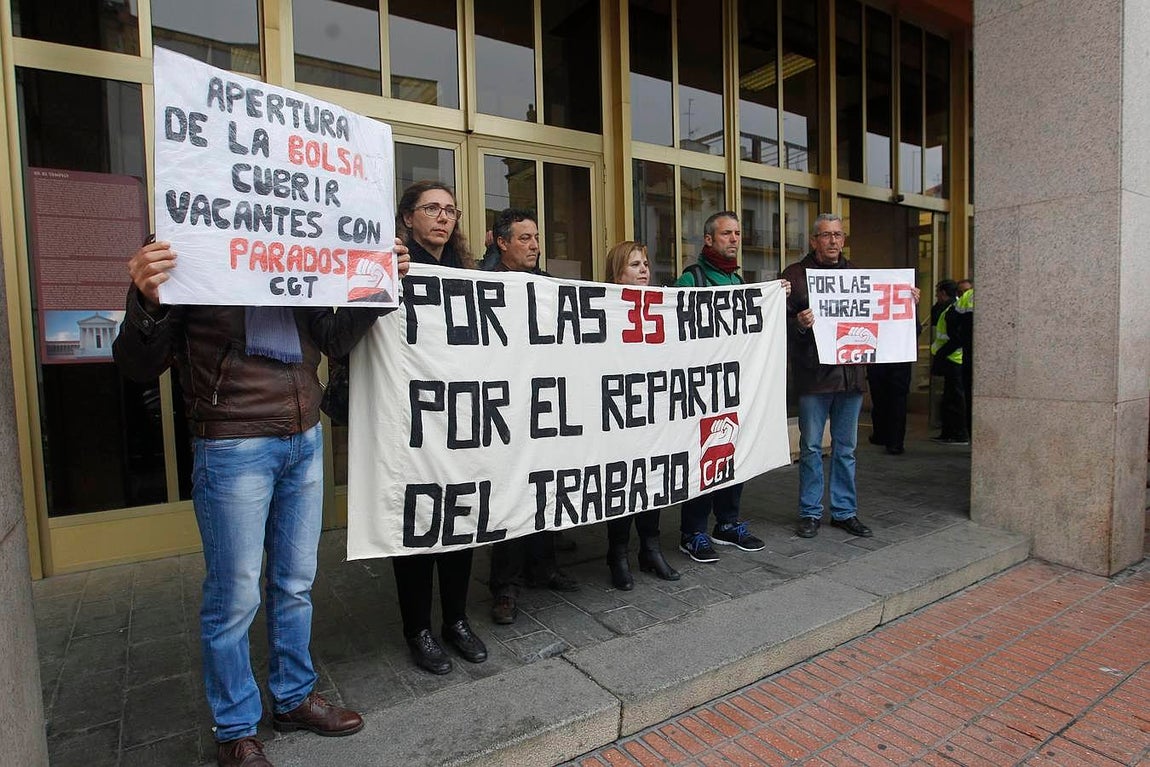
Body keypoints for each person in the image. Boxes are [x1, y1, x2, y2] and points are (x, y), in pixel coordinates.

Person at [113, 236, 410, 767]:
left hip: (303, 435)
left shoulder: (296, 241)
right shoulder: (187, 240)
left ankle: (294, 698)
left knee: (295, 583)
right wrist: (145, 298)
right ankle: (235, 730)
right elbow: (137, 365)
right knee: (234, 599)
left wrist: (379, 286)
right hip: (232, 442)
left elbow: (333, 339)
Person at [390, 181, 488, 675]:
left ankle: (456, 620)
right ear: (408, 218)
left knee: (459, 522)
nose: (443, 218)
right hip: (408, 416)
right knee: (417, 523)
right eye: (432, 208)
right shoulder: (389, 268)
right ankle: (418, 630)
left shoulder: (466, 276)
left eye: (451, 210)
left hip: (458, 415)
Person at [784, 213, 917, 539]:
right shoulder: (795, 277)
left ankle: (844, 512)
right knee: (812, 448)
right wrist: (799, 324)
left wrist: (907, 303)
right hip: (815, 378)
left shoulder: (859, 276)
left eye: (838, 235)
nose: (833, 241)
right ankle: (810, 512)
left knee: (846, 449)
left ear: (843, 240)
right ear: (814, 240)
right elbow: (779, 326)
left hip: (852, 378)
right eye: (826, 235)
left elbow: (885, 322)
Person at [484, 208, 579, 625]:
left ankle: (544, 567)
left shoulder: (547, 286)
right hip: (507, 408)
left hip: (543, 404)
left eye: (536, 237)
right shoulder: (481, 283)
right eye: (524, 238)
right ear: (501, 243)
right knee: (511, 495)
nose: (535, 245)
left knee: (545, 488)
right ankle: (504, 586)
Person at [675, 211, 767, 563]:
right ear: (708, 240)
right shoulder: (691, 280)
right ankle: (693, 531)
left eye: (738, 233)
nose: (734, 239)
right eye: (726, 233)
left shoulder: (739, 283)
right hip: (703, 391)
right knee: (706, 458)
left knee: (734, 456)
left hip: (735, 389)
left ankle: (727, 524)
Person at [601, 241, 680, 589]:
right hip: (619, 412)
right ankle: (617, 554)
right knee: (623, 483)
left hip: (653, 410)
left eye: (646, 263)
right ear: (618, 274)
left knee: (653, 480)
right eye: (634, 265)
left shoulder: (663, 306)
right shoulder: (601, 309)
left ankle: (650, 548)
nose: (644, 269)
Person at [930, 279, 968, 445]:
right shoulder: (949, 309)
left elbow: (956, 338)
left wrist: (940, 354)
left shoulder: (954, 310)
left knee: (956, 399)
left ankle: (959, 434)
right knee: (948, 399)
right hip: (951, 359)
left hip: (954, 359)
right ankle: (948, 432)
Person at [954, 280, 974, 436]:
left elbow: (953, 323)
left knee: (967, 398)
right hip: (965, 355)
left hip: (964, 355)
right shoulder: (969, 297)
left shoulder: (965, 299)